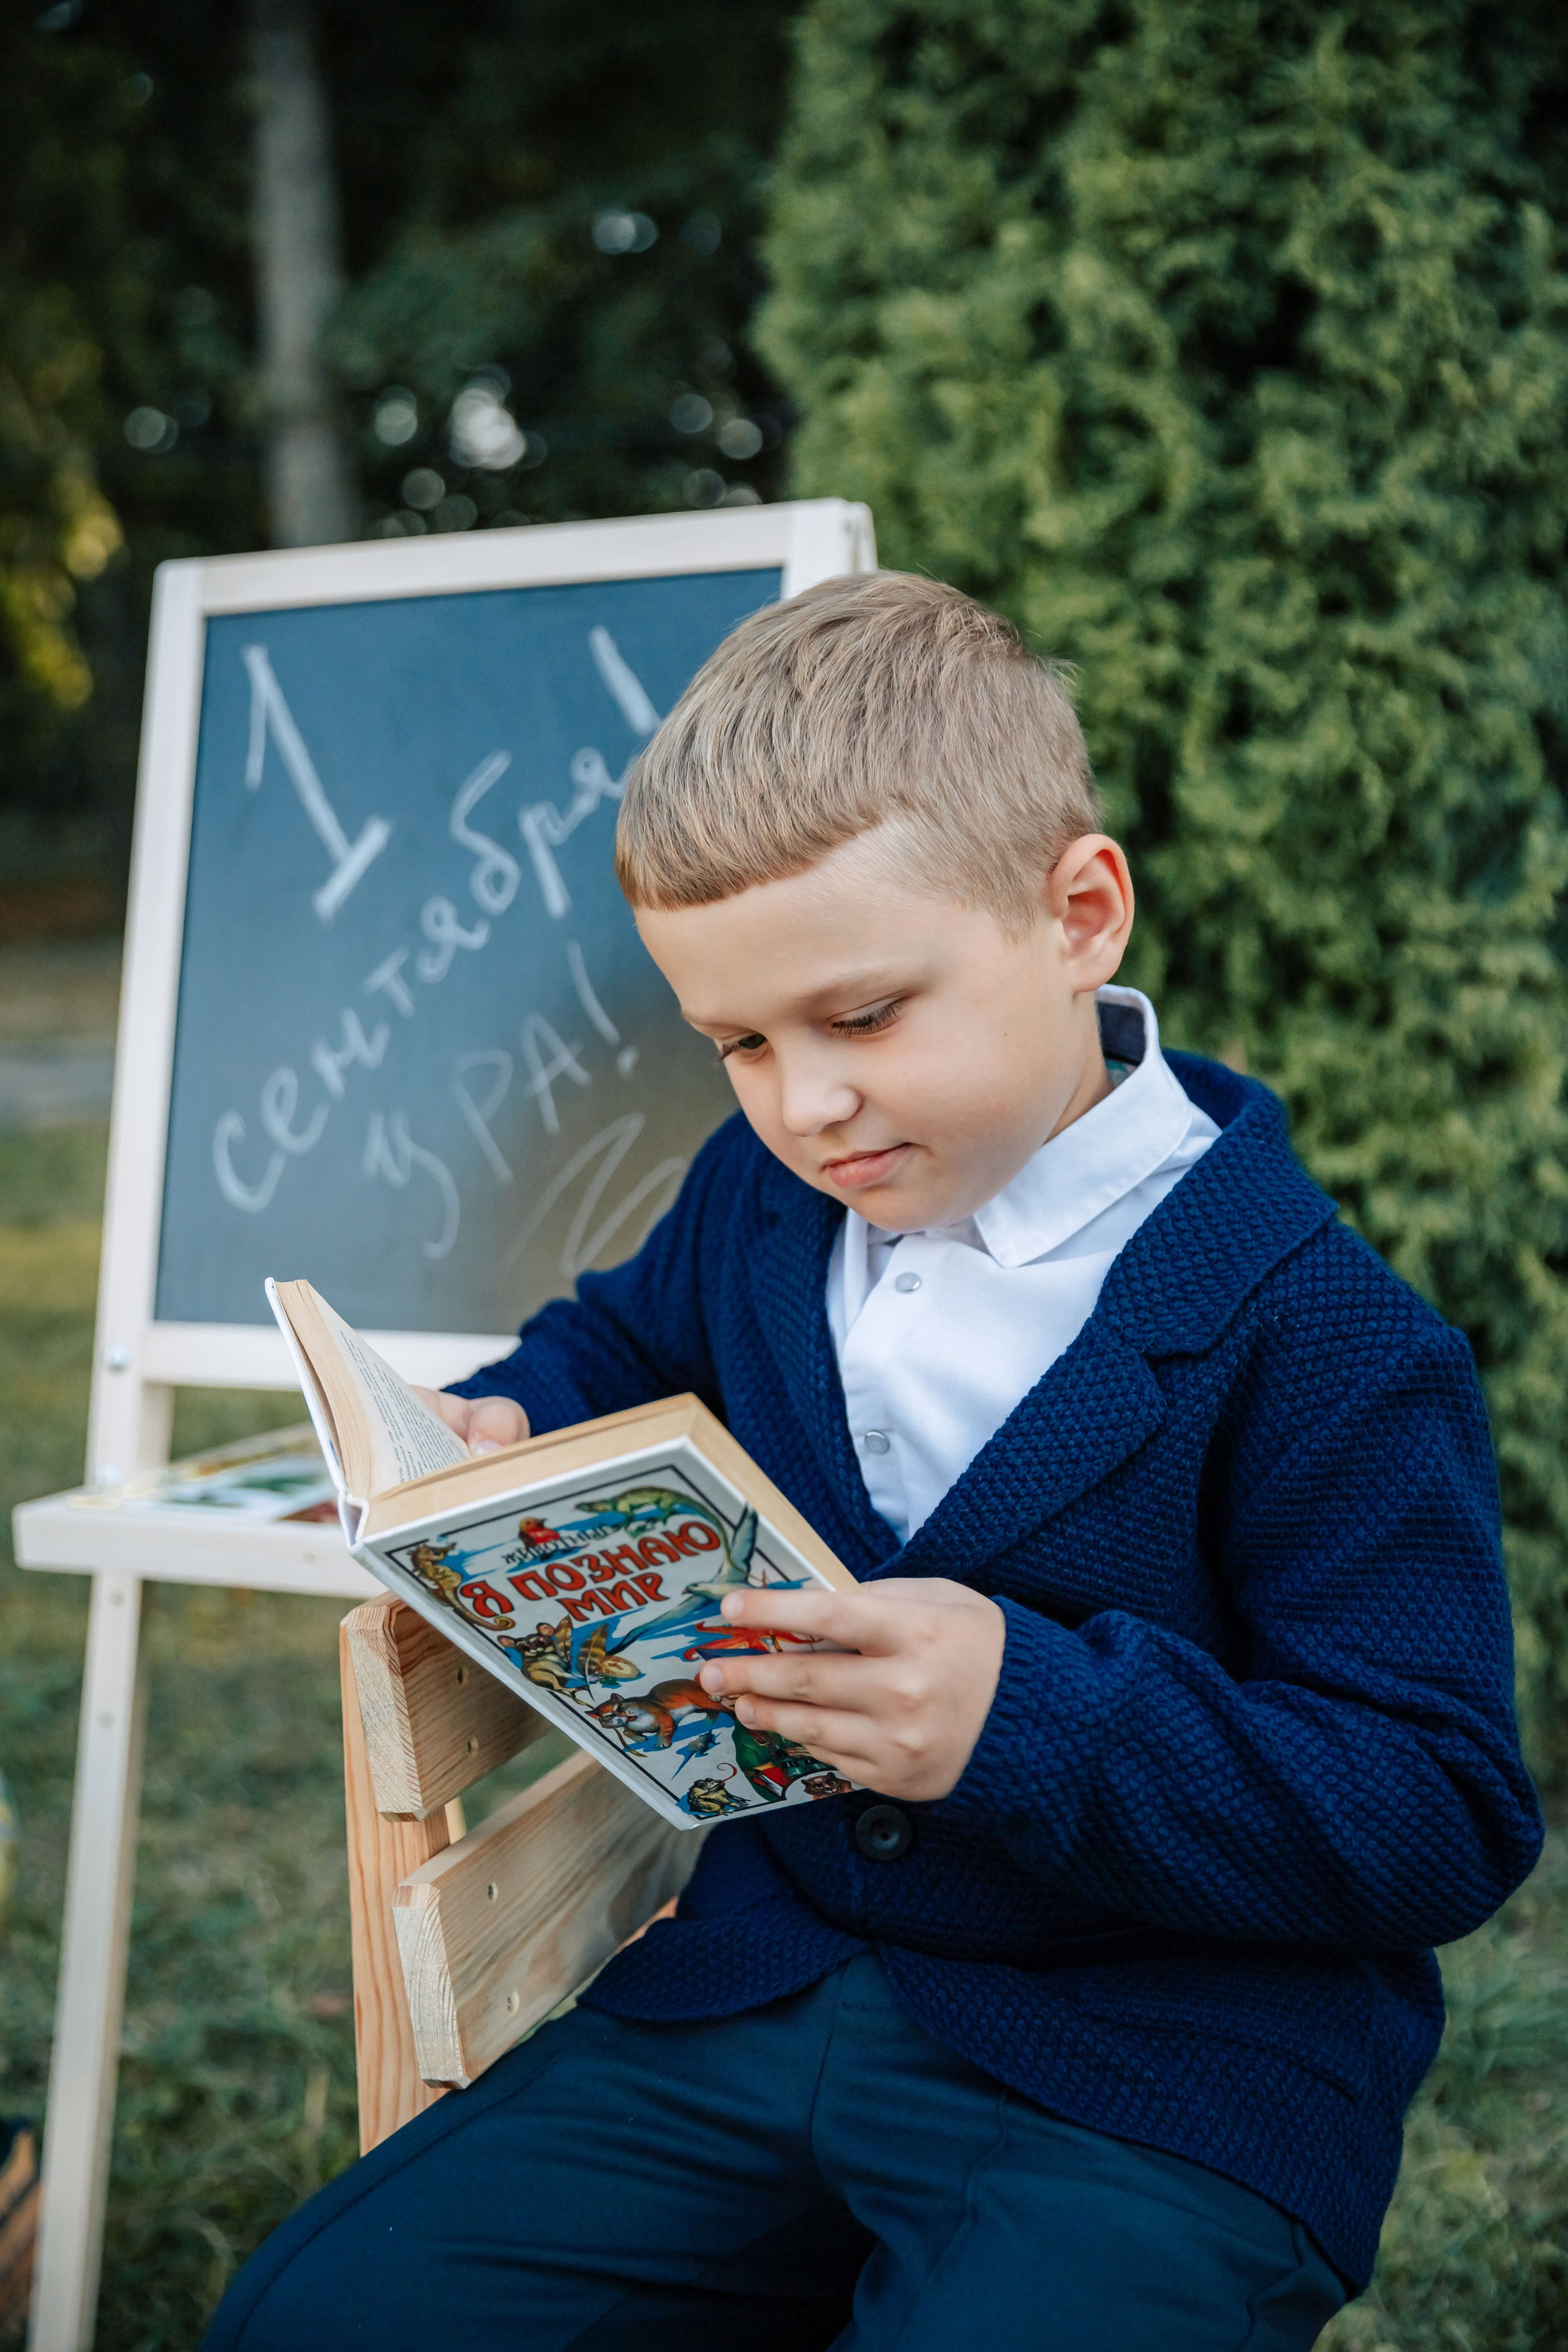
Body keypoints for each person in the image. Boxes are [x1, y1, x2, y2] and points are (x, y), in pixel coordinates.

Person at [205, 574, 1542, 2351]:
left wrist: (1027, 1715)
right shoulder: (767, 1204)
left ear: (1080, 913)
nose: (801, 1104)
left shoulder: (1327, 1339)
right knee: (325, 2320)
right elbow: (622, 1337)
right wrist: (510, 1415)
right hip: (762, 1983)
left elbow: (1437, 1813)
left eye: (863, 1016)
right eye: (741, 1044)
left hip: (1155, 2074)